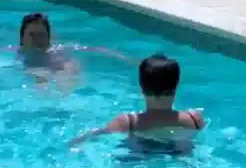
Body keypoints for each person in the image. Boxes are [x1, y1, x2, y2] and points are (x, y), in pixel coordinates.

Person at [71, 52, 205, 151]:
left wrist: (77, 141)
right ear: (176, 86)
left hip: (140, 158)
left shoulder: (128, 122)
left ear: (141, 86)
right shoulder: (193, 119)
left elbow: (98, 134)